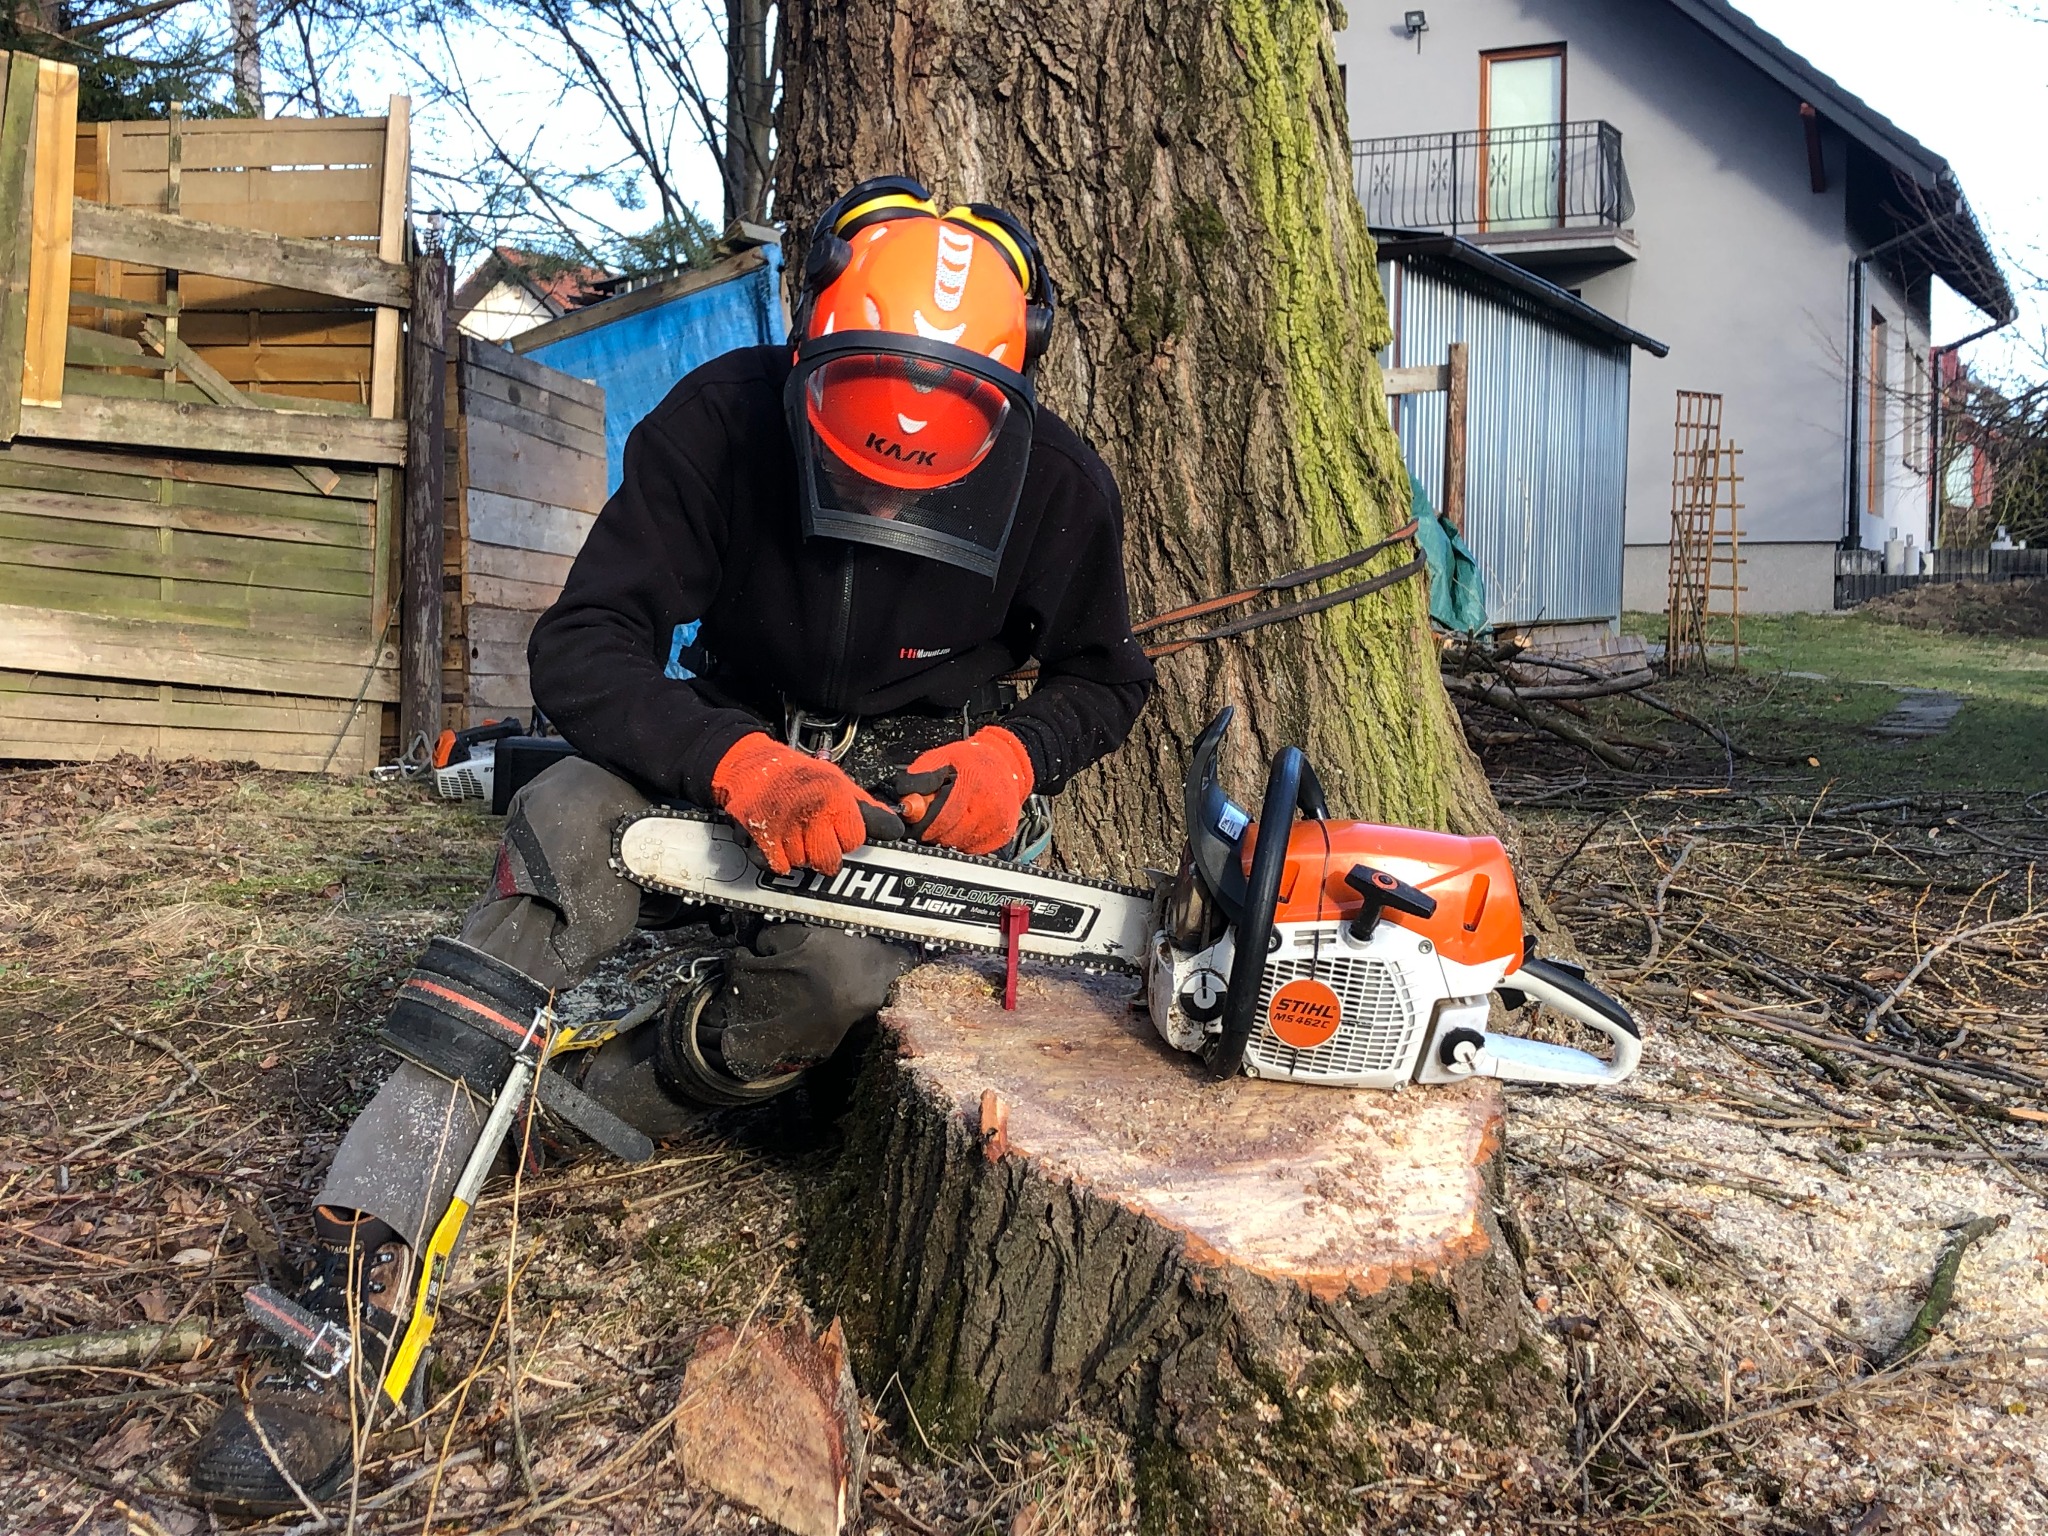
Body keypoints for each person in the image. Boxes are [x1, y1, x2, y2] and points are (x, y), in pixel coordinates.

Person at [184, 176, 1155, 1511]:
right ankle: (366, 1238)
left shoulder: (1060, 486)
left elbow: (1109, 678)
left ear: (1011, 391)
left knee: (832, 984)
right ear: (809, 343)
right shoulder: (723, 421)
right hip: (727, 737)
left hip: (903, 787)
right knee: (567, 822)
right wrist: (737, 762)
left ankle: (594, 1115)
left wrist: (1016, 753)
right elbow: (583, 645)